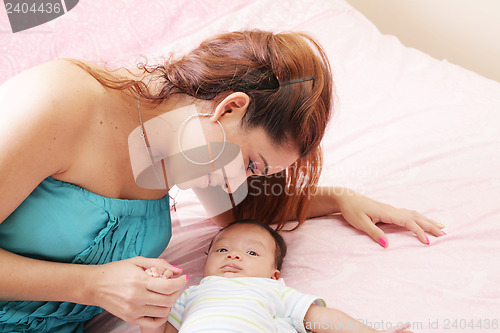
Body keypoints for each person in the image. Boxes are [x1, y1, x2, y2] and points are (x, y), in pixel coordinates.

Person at [0, 30, 444, 332]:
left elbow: (245, 214)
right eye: (253, 165)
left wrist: (339, 198)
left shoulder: (189, 139)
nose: (243, 182)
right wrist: (90, 286)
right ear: (229, 108)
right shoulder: (59, 103)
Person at [141, 219, 414, 333]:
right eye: (222, 249)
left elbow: (319, 318)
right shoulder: (190, 293)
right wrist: (152, 300)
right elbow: (162, 329)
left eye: (251, 253)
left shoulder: (273, 290)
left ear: (274, 275)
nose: (233, 255)